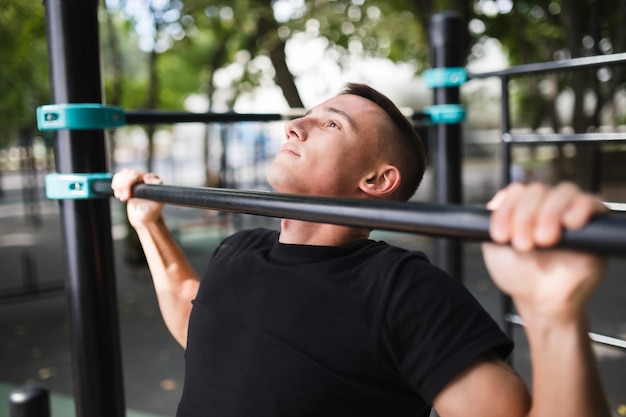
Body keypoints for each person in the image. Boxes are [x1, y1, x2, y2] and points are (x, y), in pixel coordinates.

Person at [112, 83, 611, 417]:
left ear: (375, 180)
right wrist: (149, 226)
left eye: (330, 125)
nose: (295, 126)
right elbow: (194, 319)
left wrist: (552, 316)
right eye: (304, 116)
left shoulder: (401, 291)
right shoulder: (237, 250)